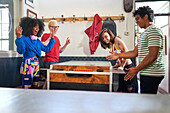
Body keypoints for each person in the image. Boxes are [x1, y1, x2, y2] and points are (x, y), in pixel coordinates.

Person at [106, 6, 165, 94]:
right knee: (145, 97)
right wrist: (119, 55)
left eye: (138, 19)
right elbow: (134, 52)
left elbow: (153, 55)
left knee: (147, 99)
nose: (136, 22)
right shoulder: (143, 34)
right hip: (146, 72)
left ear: (145, 17)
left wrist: (136, 69)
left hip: (152, 73)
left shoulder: (154, 30)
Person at [15, 17, 55, 89]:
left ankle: (33, 100)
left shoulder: (37, 41)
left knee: (35, 85)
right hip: (27, 64)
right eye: (35, 27)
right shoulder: (23, 38)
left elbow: (47, 49)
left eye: (38, 27)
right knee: (27, 86)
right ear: (29, 27)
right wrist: (19, 37)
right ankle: (26, 100)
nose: (37, 29)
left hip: (36, 64)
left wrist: (52, 39)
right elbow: (20, 51)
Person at [99, 28, 138, 93]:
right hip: (121, 69)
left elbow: (126, 53)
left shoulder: (117, 40)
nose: (104, 39)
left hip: (128, 68)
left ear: (110, 35)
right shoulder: (112, 44)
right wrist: (117, 64)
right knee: (122, 90)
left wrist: (122, 66)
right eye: (103, 38)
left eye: (106, 36)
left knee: (130, 90)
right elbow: (119, 55)